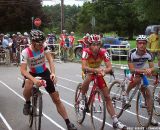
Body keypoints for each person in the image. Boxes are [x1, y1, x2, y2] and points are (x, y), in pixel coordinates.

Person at [20, 29, 77, 130]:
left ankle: (68, 122)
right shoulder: (25, 52)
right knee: (28, 83)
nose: (42, 45)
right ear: (33, 42)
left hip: (44, 72)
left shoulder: (44, 46)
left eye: (43, 43)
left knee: (57, 99)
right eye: (39, 44)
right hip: (32, 73)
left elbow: (50, 60)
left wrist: (53, 73)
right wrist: (34, 80)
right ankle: (28, 103)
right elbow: (23, 71)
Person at [80, 34, 127, 129]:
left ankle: (115, 121)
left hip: (99, 72)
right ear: (89, 45)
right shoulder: (85, 51)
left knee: (107, 97)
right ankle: (82, 98)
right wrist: (96, 70)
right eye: (93, 44)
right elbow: (84, 67)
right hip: (88, 71)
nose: (96, 47)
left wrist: (103, 71)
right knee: (89, 77)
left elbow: (109, 67)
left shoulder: (104, 52)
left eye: (98, 44)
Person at [125, 35, 158, 126]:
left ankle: (150, 117)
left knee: (148, 94)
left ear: (146, 44)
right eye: (140, 43)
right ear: (137, 44)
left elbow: (152, 67)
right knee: (137, 78)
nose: (142, 45)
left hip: (141, 73)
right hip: (130, 72)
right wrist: (145, 70)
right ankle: (126, 93)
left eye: (144, 43)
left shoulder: (149, 53)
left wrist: (150, 70)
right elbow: (132, 70)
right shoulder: (131, 52)